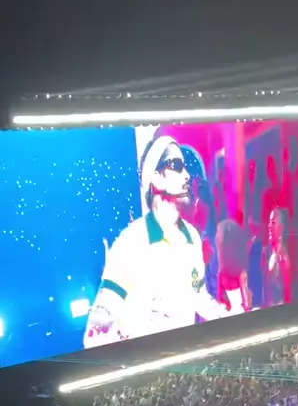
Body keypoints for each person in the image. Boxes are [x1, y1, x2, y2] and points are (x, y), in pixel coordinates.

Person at [84, 135, 226, 347]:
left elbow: (199, 296)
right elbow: (95, 332)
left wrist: (231, 319)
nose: (187, 175)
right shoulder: (130, 243)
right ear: (157, 178)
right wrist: (133, 330)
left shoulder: (192, 237)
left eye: (185, 167)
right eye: (176, 165)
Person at [215, 218, 252, 314]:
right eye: (223, 247)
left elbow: (247, 304)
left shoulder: (242, 272)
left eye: (228, 247)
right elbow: (220, 299)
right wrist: (224, 306)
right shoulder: (221, 273)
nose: (225, 251)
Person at [265, 207, 291, 307]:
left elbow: (286, 294)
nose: (269, 226)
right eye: (269, 222)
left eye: (273, 222)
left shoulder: (282, 258)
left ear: (281, 228)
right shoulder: (268, 253)